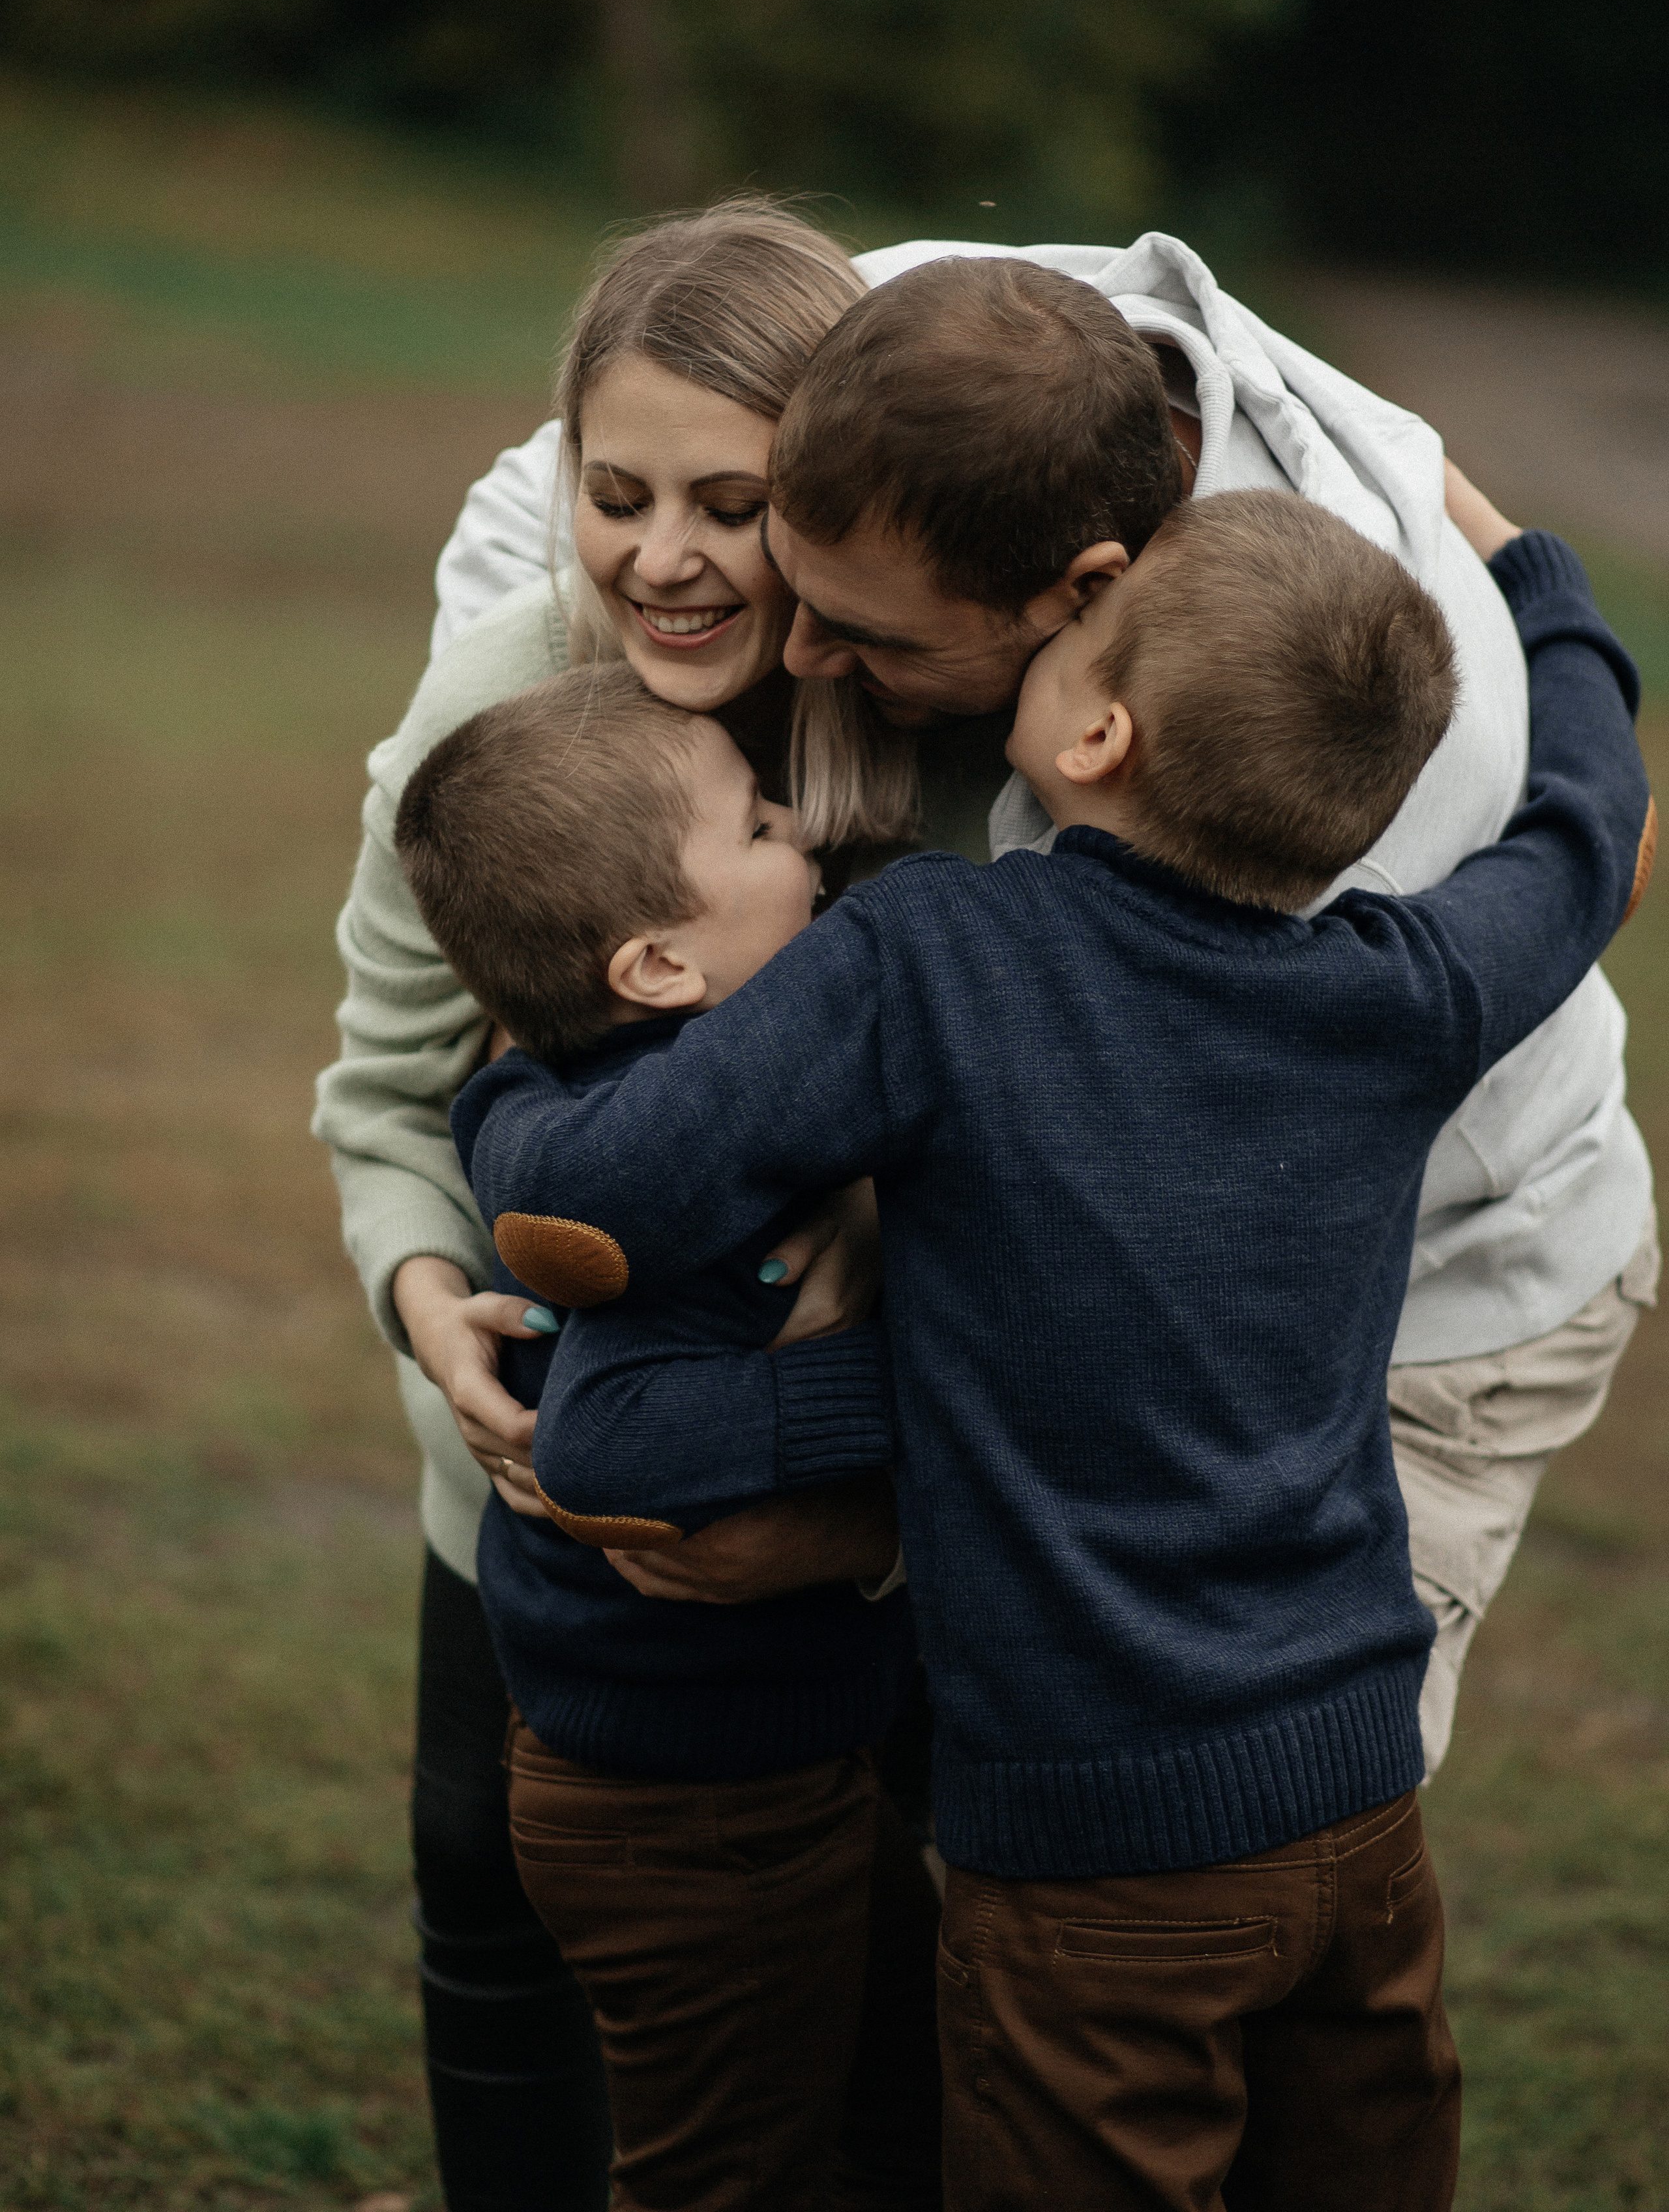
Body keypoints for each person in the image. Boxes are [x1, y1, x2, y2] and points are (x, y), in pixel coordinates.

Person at [454, 460, 1650, 2207]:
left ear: (1096, 732)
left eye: (1076, 628)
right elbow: (1585, 830)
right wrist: (1544, 584)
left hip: (1098, 1869)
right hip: (1364, 1809)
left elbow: (614, 1209)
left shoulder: (942, 953)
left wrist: (500, 1116)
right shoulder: (1410, 993)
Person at [314, 200, 998, 2210]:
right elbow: (379, 1089)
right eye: (616, 495)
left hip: (888, 1492)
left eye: (735, 500)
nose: (665, 558)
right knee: (486, 1871)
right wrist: (427, 1297)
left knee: (876, 1949)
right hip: (535, 1474)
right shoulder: (505, 705)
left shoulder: (954, 720)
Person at [391, 662, 938, 2212]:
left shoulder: (571, 1091)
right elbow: (613, 1443)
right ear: (653, 966)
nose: (808, 845)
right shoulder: (683, 1172)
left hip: (765, 1769)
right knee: (728, 2180)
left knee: (894, 2121)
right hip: (690, 1809)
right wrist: (907, 1396)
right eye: (763, 826)